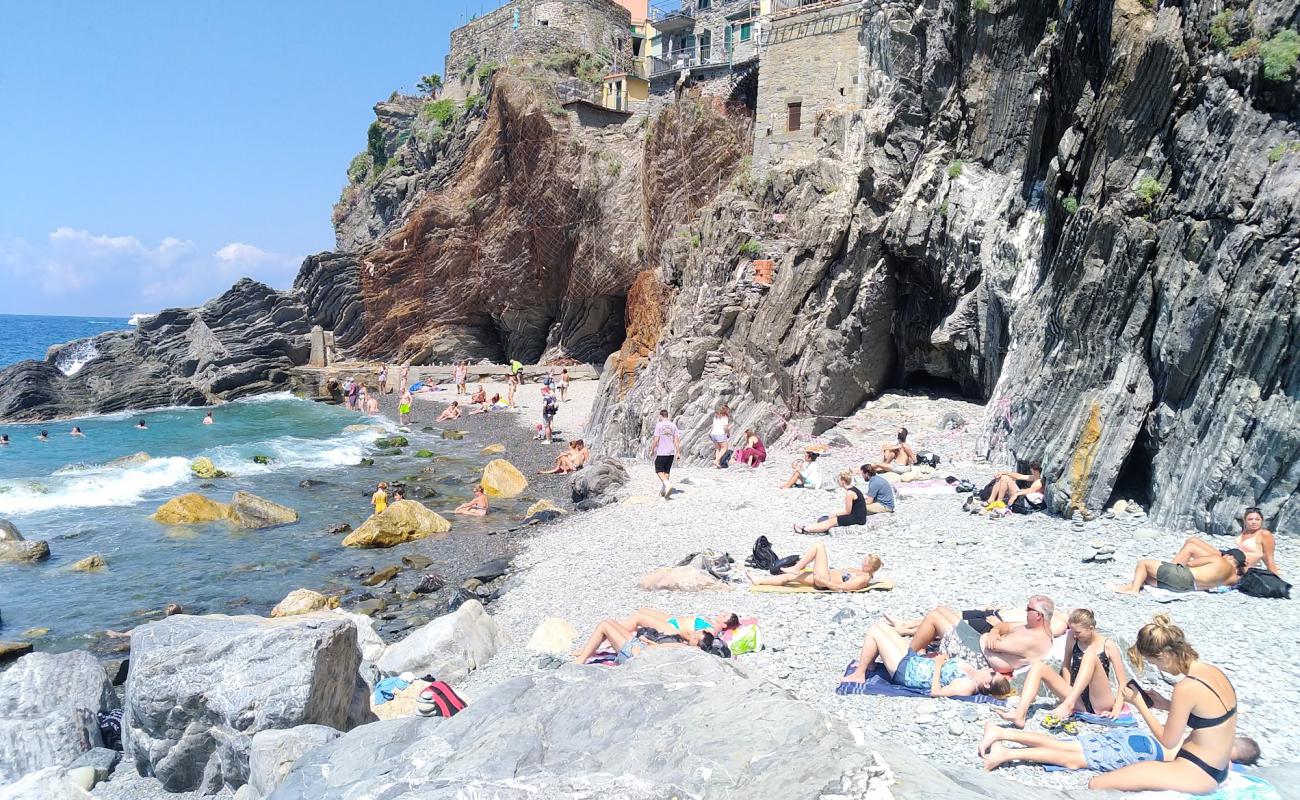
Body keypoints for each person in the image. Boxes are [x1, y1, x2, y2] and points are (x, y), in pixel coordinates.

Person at [1089, 614, 1239, 793]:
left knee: (1097, 784)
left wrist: (1140, 704)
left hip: (1196, 771)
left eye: (1155, 663)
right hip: (1217, 768)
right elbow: (1210, 715)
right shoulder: (1215, 672)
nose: (1160, 669)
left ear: (1166, 655)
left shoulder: (1186, 687)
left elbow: (1168, 741)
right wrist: (1167, 705)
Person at [996, 608, 1128, 728]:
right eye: (1072, 631)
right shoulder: (1072, 637)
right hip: (1078, 698)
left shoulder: (1108, 645)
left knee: (1090, 656)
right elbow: (1066, 665)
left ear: (1091, 628)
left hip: (1099, 701)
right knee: (1038, 666)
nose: (1074, 635)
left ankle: (1068, 704)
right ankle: (1020, 713)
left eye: (1078, 632)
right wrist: (1066, 691)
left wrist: (1117, 708)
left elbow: (1122, 682)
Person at [978, 720, 1260, 776]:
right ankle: (1008, 753)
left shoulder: (1210, 734)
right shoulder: (1221, 760)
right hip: (1144, 753)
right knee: (1072, 758)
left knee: (1064, 745)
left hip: (1139, 739)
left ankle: (1002, 732)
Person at [840, 622, 1011, 697]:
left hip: (907, 672)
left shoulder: (967, 685)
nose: (991, 669)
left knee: (875, 632)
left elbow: (936, 693)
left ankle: (860, 673)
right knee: (881, 627)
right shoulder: (973, 672)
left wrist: (937, 666)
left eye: (992, 673)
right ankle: (868, 663)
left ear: (987, 684)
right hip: (916, 661)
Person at [908, 597, 1056, 674]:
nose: (1025, 610)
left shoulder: (1032, 639)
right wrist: (994, 631)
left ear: (1038, 615)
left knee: (934, 617)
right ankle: (917, 651)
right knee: (941, 610)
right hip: (977, 643)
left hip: (976, 657)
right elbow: (1004, 625)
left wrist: (994, 636)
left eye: (1028, 609)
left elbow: (994, 646)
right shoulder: (1032, 628)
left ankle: (908, 658)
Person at [1172, 507, 1279, 576]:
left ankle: (1169, 572)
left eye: (1257, 519)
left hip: (1239, 567)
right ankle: (1171, 569)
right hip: (1229, 557)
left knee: (1191, 547)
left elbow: (1269, 559)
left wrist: (1275, 579)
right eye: (1250, 519)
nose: (1254, 522)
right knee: (1192, 540)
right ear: (1245, 521)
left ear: (1262, 520)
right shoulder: (1246, 532)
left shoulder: (1264, 534)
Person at [747, 541, 882, 591]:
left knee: (819, 546)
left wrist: (822, 581)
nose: (862, 562)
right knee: (789, 577)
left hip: (824, 581)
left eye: (865, 561)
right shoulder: (861, 572)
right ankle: (759, 581)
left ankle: (796, 567)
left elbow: (841, 588)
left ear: (870, 567)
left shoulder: (862, 579)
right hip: (822, 577)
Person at [1111, 548, 1246, 595]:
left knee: (1143, 563)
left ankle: (1134, 591)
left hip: (1185, 577)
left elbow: (1190, 563)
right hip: (1186, 588)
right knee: (1146, 577)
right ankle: (1123, 588)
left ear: (1229, 556)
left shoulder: (1219, 559)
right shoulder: (1231, 579)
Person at [885, 605, 1069, 639]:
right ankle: (906, 623)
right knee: (950, 613)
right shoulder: (1059, 613)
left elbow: (1036, 631)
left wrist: (999, 627)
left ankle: (906, 631)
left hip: (993, 623)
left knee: (948, 624)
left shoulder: (1060, 624)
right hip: (995, 613)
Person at [794, 471, 868, 534]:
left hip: (857, 518)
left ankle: (805, 529)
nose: (838, 482)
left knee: (831, 522)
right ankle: (808, 527)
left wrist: (835, 514)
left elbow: (847, 511)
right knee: (829, 520)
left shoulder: (850, 493)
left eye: (838, 480)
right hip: (858, 516)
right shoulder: (854, 489)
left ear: (843, 481)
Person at [649, 409, 680, 499]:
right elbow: (677, 440)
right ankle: (663, 490)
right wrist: (678, 452)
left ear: (661, 416)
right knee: (666, 471)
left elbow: (656, 439)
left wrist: (652, 449)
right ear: (667, 416)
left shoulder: (659, 425)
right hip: (671, 452)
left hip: (662, 451)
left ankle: (667, 484)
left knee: (658, 470)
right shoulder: (673, 425)